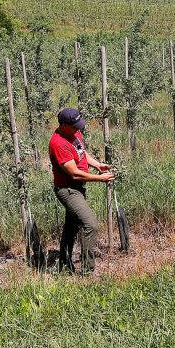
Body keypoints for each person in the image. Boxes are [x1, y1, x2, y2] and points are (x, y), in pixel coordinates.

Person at [48, 107, 114, 274]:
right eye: (74, 126)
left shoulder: (73, 133)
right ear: (63, 125)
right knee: (90, 224)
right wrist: (101, 178)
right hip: (68, 190)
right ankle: (87, 271)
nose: (78, 129)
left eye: (79, 125)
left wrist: (97, 165)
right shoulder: (58, 143)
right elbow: (75, 174)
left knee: (71, 227)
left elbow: (81, 153)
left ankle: (64, 264)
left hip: (77, 188)